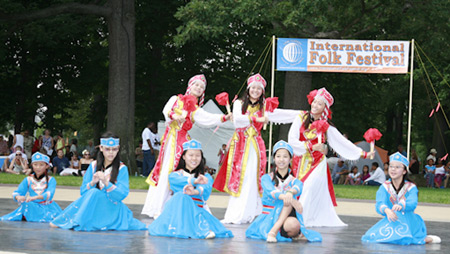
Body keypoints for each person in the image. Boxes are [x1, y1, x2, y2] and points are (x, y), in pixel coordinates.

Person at [142, 74, 232, 219]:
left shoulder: (195, 109)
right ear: (190, 85)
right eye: (196, 85)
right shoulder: (175, 99)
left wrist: (223, 118)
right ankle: (159, 207)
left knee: (180, 170)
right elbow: (166, 111)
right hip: (171, 139)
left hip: (182, 141)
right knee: (166, 171)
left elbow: (206, 118)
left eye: (202, 87)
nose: (199, 88)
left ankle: (178, 206)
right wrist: (174, 116)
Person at [214, 73, 299, 224]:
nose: (255, 90)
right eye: (253, 87)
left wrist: (301, 114)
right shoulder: (239, 103)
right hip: (240, 145)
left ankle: (253, 212)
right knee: (240, 177)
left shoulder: (265, 106)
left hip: (255, 146)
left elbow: (280, 114)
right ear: (248, 89)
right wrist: (256, 119)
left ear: (262, 92)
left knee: (253, 177)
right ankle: (235, 214)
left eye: (259, 89)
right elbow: (238, 120)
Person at [288, 87, 373, 227]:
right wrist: (311, 146)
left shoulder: (325, 126)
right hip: (300, 162)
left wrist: (363, 153)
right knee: (300, 189)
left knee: (309, 189)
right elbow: (292, 139)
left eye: (320, 104)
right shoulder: (301, 117)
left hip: (317, 164)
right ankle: (297, 218)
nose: (315, 106)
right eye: (315, 102)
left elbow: (341, 141)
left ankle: (302, 220)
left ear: (324, 108)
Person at [50, 132, 147, 231]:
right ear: (101, 148)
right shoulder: (93, 166)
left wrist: (106, 183)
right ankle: (71, 220)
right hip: (95, 206)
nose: (111, 152)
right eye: (107, 149)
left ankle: (73, 221)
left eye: (114, 149)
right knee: (94, 192)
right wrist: (92, 182)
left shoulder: (122, 169)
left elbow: (122, 194)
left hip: (112, 208)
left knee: (95, 192)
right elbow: (83, 192)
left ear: (118, 149)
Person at [148, 139, 233, 239]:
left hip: (198, 210)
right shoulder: (175, 175)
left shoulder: (206, 176)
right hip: (179, 213)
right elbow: (176, 182)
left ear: (201, 158)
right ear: (184, 157)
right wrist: (194, 181)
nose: (194, 158)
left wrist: (194, 191)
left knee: (184, 197)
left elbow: (205, 191)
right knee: (181, 196)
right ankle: (199, 231)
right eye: (191, 155)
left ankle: (199, 229)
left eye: (197, 156)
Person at [245, 141, 322, 243]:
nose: (281, 160)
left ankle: (274, 232)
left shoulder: (295, 181)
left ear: (290, 159)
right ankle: (273, 231)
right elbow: (272, 192)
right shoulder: (266, 178)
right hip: (268, 218)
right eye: (278, 156)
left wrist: (290, 193)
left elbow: (298, 188)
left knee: (293, 224)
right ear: (274, 158)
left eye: (285, 157)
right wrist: (292, 200)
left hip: (287, 218)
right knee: (288, 202)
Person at [361, 152, 441, 245]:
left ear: (404, 171)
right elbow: (379, 203)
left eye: (398, 167)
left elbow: (412, 203)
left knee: (402, 238)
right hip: (392, 220)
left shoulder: (411, 187)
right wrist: (387, 210)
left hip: (410, 220)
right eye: (391, 166)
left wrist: (401, 205)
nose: (393, 169)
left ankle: (425, 239)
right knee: (369, 237)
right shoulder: (384, 187)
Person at [0, 152, 62, 222]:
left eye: (41, 165)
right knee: (26, 204)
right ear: (32, 165)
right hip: (32, 206)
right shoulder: (28, 179)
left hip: (47, 207)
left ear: (47, 166)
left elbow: (49, 194)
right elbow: (17, 193)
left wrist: (34, 198)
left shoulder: (51, 180)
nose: (38, 167)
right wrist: (19, 197)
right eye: (35, 165)